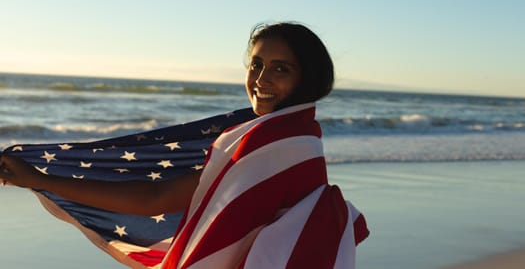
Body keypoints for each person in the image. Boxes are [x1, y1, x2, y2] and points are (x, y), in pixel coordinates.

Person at [0, 22, 368, 268]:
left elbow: (157, 199)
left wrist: (44, 178)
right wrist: (40, 177)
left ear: (308, 78)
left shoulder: (271, 142)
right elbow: (159, 197)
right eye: (256, 65)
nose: (260, 79)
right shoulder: (299, 137)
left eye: (280, 69)